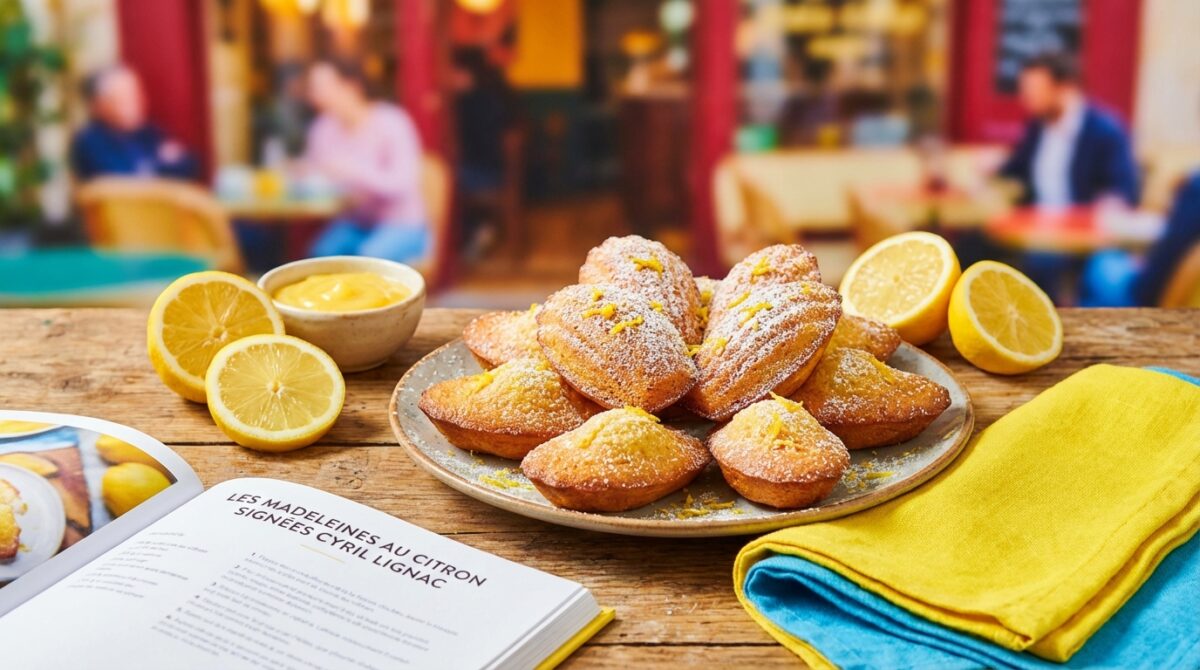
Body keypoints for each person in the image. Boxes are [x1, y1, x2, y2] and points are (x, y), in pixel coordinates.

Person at [995, 53, 1140, 302]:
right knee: (974, 249)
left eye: (1034, 90)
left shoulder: (1105, 130)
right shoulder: (1038, 127)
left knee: (1096, 277)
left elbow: (1125, 190)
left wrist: (1109, 204)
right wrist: (993, 165)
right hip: (1038, 231)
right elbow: (1015, 167)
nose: (1025, 99)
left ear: (1065, 88)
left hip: (1083, 240)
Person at [302, 59, 428, 264]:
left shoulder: (392, 121)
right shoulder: (322, 128)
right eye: (313, 89)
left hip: (402, 223)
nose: (316, 96)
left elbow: (402, 183)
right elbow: (317, 174)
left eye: (323, 87)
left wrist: (353, 171)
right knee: (319, 257)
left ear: (351, 87)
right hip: (356, 222)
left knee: (368, 260)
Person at [1080, 172, 1200, 306]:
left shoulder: (1196, 188)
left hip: (1150, 297)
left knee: (1102, 261)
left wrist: (1146, 265)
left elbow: (1167, 261)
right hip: (1181, 301)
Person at [71, 65, 198, 181]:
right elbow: (122, 180)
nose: (138, 103)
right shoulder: (90, 141)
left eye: (136, 94)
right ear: (99, 105)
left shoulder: (148, 132)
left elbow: (188, 165)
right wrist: (161, 165)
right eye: (125, 98)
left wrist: (152, 170)